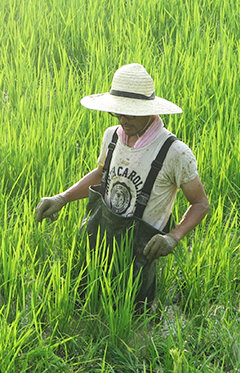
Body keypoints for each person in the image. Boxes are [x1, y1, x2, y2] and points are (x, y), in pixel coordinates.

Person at [34, 63, 209, 308]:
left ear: (149, 110)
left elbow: (200, 204)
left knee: (133, 319)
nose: (123, 120)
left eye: (130, 114)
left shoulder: (175, 152)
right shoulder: (112, 135)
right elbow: (101, 174)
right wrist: (62, 198)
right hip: (97, 238)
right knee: (84, 304)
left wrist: (173, 237)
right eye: (118, 113)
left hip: (139, 253)